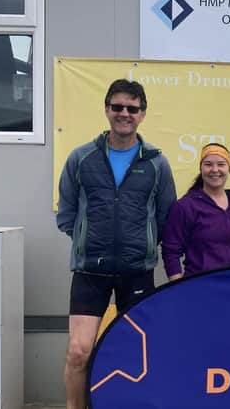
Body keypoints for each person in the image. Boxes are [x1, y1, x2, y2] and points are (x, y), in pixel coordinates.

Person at [56, 79, 176, 409]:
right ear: (107, 109)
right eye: (118, 107)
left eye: (132, 108)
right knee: (79, 351)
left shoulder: (156, 163)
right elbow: (66, 213)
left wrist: (143, 245)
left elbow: (166, 217)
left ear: (142, 114)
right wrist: (87, 242)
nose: (124, 113)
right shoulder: (81, 158)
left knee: (135, 353)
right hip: (89, 272)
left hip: (137, 271)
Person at [162, 142, 230, 280]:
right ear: (201, 168)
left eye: (221, 164)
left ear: (228, 168)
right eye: (208, 164)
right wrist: (178, 288)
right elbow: (170, 251)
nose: (215, 170)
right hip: (200, 287)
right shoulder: (185, 206)